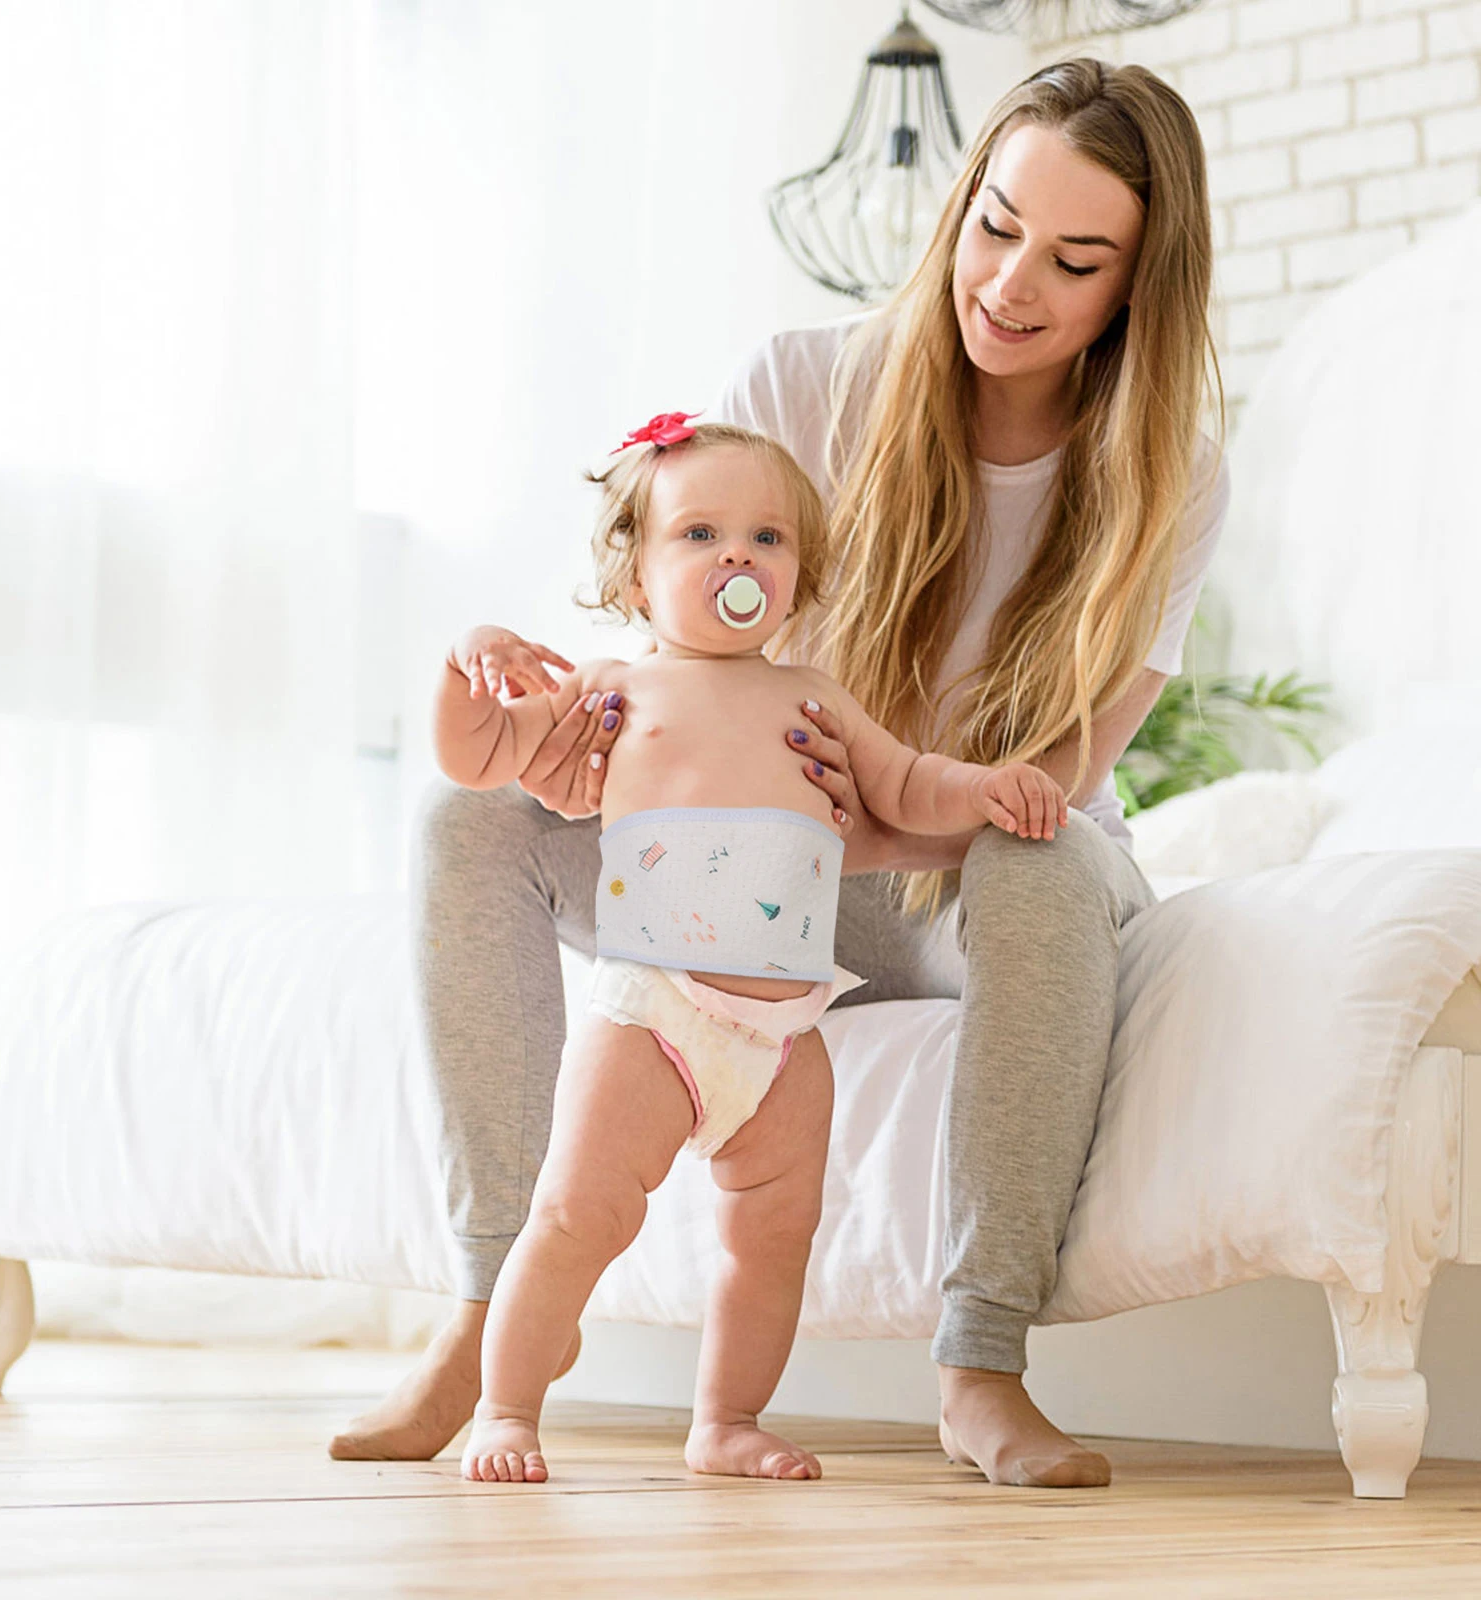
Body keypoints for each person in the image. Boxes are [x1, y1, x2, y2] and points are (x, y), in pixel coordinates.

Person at [332, 57, 1230, 1490]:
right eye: (994, 226)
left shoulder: (1166, 475)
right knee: (470, 819)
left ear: (1138, 286)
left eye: (1074, 261)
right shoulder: (806, 381)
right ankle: (495, 1311)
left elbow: (1058, 769)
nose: (1009, 284)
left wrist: (876, 832)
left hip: (953, 870)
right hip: (782, 872)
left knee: (1039, 853)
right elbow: (704, 661)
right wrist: (600, 765)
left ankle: (981, 1361)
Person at [436, 420, 1067, 1484]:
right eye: (701, 534)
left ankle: (725, 1419)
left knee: (773, 1237)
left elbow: (907, 785)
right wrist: (473, 666)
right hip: (655, 1012)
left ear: (798, 574)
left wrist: (987, 786)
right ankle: (505, 1407)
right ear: (635, 577)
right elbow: (479, 756)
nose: (739, 558)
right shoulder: (615, 691)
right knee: (576, 1213)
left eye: (767, 537)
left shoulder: (812, 696)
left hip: (782, 1035)